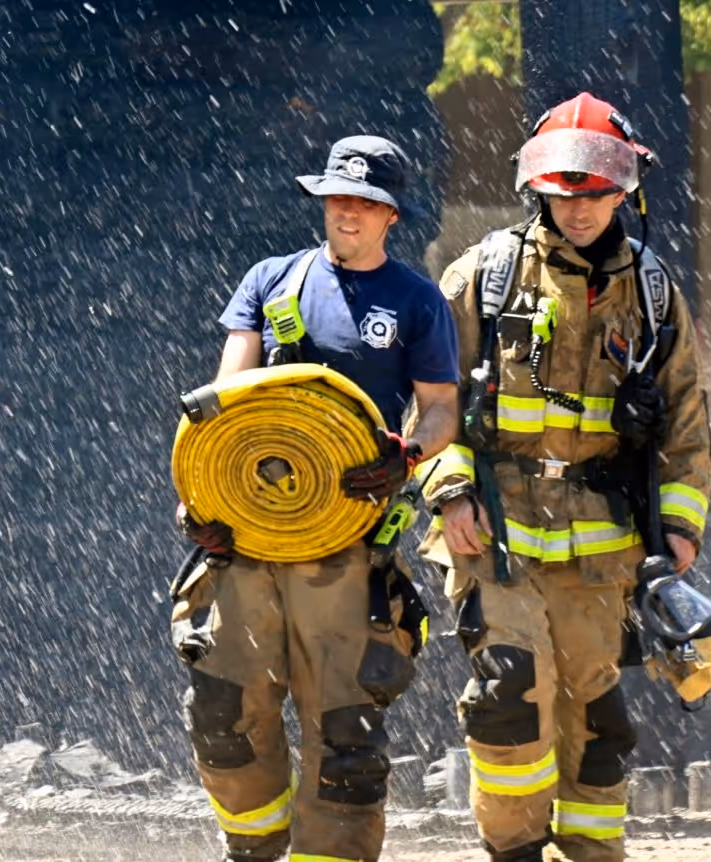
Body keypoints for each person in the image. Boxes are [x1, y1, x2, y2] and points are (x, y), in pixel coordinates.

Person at [415, 93, 711, 862]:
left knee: (598, 721)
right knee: (510, 693)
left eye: (597, 192)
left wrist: (678, 528)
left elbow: (685, 417)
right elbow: (429, 398)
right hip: (499, 530)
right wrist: (448, 489)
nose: (579, 208)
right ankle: (513, 851)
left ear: (626, 191)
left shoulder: (651, 292)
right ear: (537, 189)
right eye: (565, 192)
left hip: (602, 547)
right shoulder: (485, 275)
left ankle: (591, 852)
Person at [170, 135, 459, 862]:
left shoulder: (416, 300)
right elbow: (222, 408)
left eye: (365, 202)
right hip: (249, 543)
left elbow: (442, 410)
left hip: (345, 549)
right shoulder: (270, 282)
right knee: (223, 716)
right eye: (338, 198)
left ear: (392, 215)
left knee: (347, 739)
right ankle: (254, 849)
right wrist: (200, 500)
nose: (348, 213)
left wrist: (405, 457)